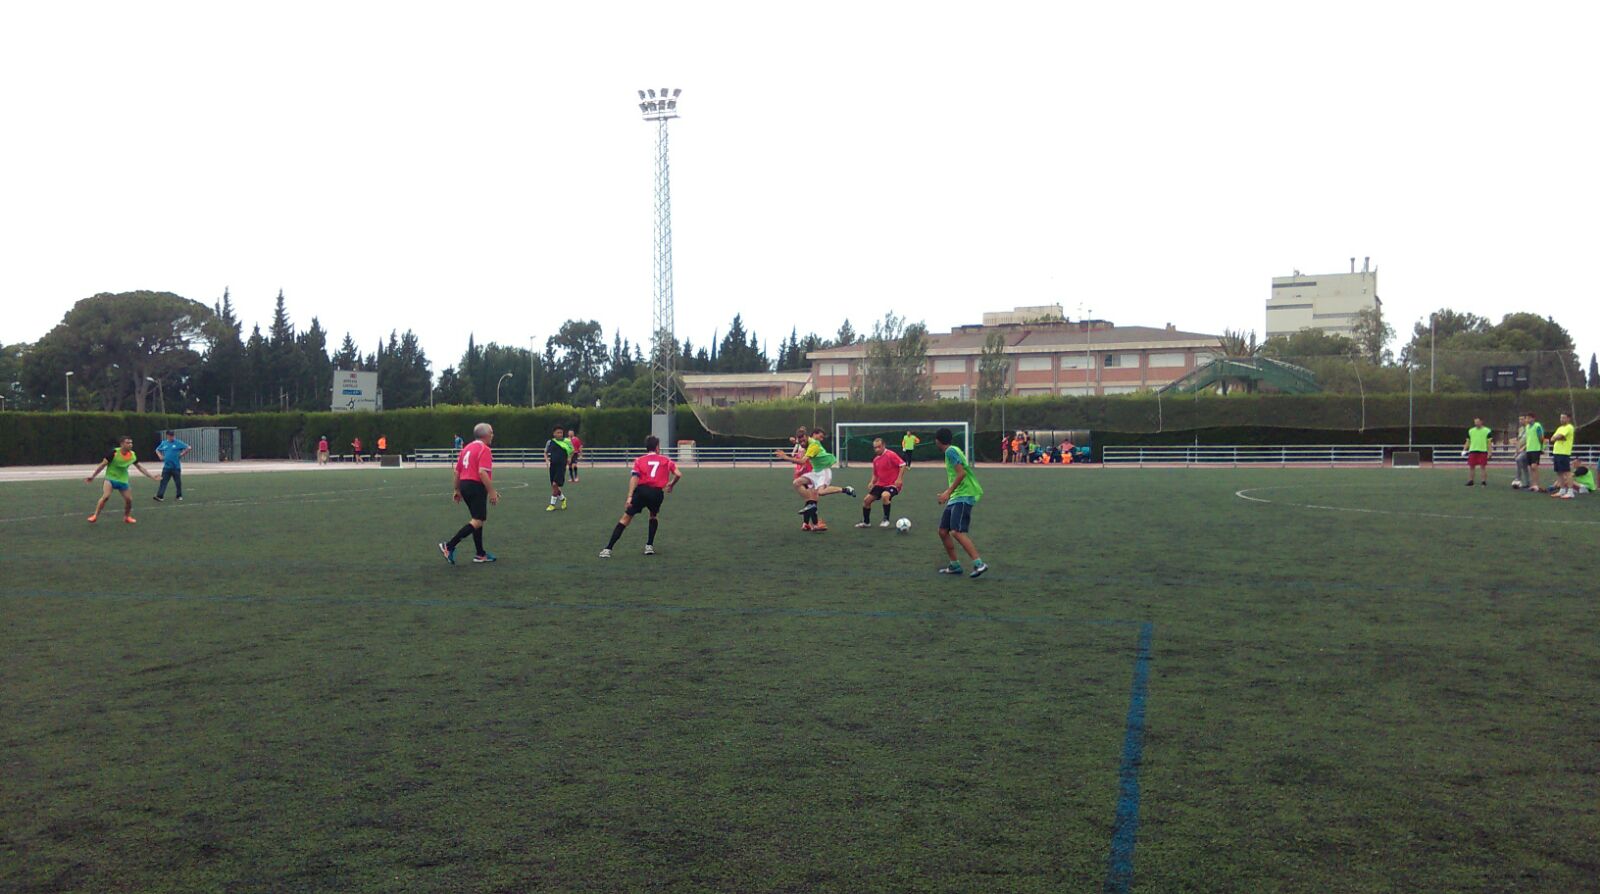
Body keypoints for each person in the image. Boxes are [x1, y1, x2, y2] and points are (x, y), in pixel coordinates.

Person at [600, 435, 682, 558]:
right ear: (657, 447)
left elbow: (634, 477)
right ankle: (649, 546)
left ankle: (608, 549)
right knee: (653, 516)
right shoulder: (666, 460)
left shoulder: (639, 460)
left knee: (625, 518)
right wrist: (671, 484)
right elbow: (678, 474)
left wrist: (629, 496)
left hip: (642, 491)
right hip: (657, 493)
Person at [439, 422, 500, 564]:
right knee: (478, 520)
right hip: (475, 486)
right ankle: (449, 546)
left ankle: (480, 554)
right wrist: (492, 492)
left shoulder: (467, 448)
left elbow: (457, 471)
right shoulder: (484, 449)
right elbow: (482, 472)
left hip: (465, 485)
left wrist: (457, 489)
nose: (492, 435)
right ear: (486, 435)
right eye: (491, 432)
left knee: (477, 519)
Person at [775, 427, 854, 532]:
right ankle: (811, 508)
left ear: (807, 436)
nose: (821, 439)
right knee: (797, 483)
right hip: (815, 472)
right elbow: (801, 443)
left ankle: (845, 489)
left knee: (820, 492)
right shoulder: (806, 441)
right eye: (820, 436)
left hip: (823, 471)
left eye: (803, 439)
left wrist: (785, 457)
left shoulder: (814, 445)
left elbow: (803, 461)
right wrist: (796, 441)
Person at [935, 427, 988, 577]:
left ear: (938, 441)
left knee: (957, 531)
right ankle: (954, 565)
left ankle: (979, 563)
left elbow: (962, 473)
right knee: (943, 531)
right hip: (956, 496)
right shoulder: (954, 450)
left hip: (964, 495)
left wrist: (947, 492)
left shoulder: (950, 452)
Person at [85, 436, 159, 524]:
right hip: (110, 479)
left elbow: (140, 467)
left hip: (123, 480)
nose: (130, 445)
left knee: (129, 500)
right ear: (122, 444)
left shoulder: (132, 455)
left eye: (131, 443)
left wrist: (152, 476)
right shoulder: (114, 453)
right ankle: (95, 516)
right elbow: (102, 465)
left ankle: (127, 517)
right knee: (106, 497)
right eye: (128, 443)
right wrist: (93, 476)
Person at [858, 437, 906, 528]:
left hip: (893, 484)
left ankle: (886, 520)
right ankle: (866, 522)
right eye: (875, 447)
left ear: (883, 445)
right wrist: (872, 482)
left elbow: (902, 465)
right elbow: (875, 474)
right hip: (880, 484)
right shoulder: (876, 460)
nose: (877, 449)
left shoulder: (891, 454)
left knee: (885, 495)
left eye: (879, 447)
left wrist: (899, 479)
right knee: (866, 500)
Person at [152, 430, 191, 502]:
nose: (172, 437)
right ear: (167, 436)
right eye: (170, 436)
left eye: (172, 435)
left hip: (176, 467)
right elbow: (157, 449)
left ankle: (179, 496)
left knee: (178, 482)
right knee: (163, 481)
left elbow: (188, 447)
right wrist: (160, 456)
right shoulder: (164, 443)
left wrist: (182, 454)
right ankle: (160, 496)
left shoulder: (178, 442)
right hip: (166, 467)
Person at [1549, 412, 1576, 499]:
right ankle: (1562, 489)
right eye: (1561, 418)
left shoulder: (1569, 427)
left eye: (1564, 418)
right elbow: (1553, 438)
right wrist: (1558, 437)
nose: (1561, 419)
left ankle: (1570, 491)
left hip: (1564, 453)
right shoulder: (1560, 428)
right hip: (1557, 452)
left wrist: (1558, 437)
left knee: (1567, 472)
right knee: (1559, 472)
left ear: (1568, 418)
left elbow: (1559, 436)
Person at [545, 426, 573, 511]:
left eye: (561, 432)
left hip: (561, 466)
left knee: (555, 484)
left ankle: (552, 504)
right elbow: (545, 452)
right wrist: (547, 461)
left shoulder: (567, 441)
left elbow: (572, 451)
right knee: (555, 487)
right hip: (553, 466)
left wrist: (569, 458)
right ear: (554, 434)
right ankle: (563, 499)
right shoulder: (550, 442)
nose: (560, 434)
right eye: (558, 432)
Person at [1463, 417, 1492, 486]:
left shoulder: (1487, 431)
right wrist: (1464, 449)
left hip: (1483, 451)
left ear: (1481, 422)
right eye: (1475, 422)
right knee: (1471, 466)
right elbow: (1468, 441)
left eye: (1477, 422)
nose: (1476, 423)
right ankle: (1471, 481)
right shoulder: (1471, 431)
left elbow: (1489, 443)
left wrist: (1490, 452)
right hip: (1473, 450)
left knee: (1483, 467)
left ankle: (1483, 481)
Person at [1522, 412, 1545, 493]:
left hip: (1536, 449)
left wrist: (1542, 447)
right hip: (1529, 449)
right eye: (1526, 418)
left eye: (1529, 418)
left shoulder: (1537, 426)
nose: (1527, 420)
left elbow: (1541, 437)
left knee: (1534, 466)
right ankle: (1533, 484)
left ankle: (1536, 485)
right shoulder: (1527, 427)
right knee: (1531, 468)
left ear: (1533, 418)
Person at [1511, 414, 1531, 489]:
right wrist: (1516, 451)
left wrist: (1524, 448)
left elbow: (1530, 440)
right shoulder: (1520, 429)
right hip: (1521, 450)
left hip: (1527, 449)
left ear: (1526, 419)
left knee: (1518, 459)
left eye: (1522, 419)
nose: (1521, 421)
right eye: (1519, 419)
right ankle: (1527, 482)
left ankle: (1518, 478)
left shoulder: (1529, 428)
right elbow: (1519, 441)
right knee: (1524, 466)